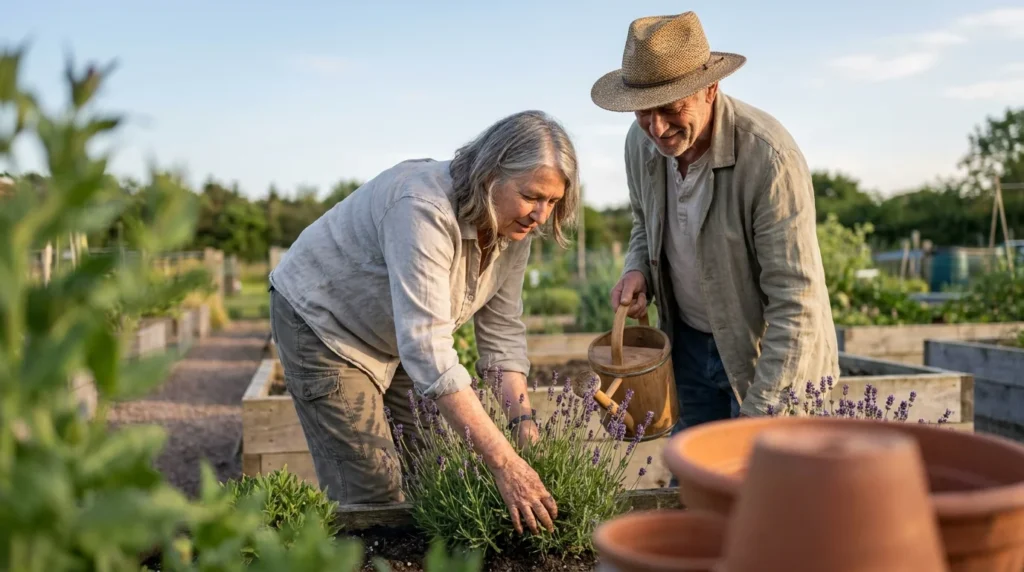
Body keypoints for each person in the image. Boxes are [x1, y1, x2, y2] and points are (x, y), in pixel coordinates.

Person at [268, 110, 581, 536]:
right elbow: (429, 349)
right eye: (531, 196)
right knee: (372, 495)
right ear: (491, 176)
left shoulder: (513, 233)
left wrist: (522, 426)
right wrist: (505, 463)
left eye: (553, 202)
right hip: (326, 326)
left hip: (394, 335)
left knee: (432, 468)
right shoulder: (423, 208)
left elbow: (502, 337)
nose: (541, 215)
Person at [590, 12, 839, 428]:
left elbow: (796, 300)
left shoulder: (769, 158)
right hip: (686, 345)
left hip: (764, 354)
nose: (656, 127)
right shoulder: (641, 144)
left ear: (710, 88)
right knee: (692, 485)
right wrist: (638, 270)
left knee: (763, 486)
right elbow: (642, 221)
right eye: (642, 113)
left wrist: (761, 409)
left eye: (670, 108)